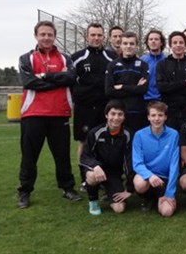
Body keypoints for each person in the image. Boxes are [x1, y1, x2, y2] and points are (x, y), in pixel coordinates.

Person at [17, 21, 81, 208]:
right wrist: (57, 80)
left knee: (62, 155)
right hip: (33, 114)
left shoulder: (64, 58)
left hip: (59, 113)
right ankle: (25, 191)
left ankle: (68, 188)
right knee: (29, 155)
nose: (46, 38)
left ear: (54, 36)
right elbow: (29, 82)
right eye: (42, 34)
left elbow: (70, 77)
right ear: (36, 36)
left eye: (50, 34)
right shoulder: (26, 58)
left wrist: (44, 76)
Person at [71, 23, 117, 191]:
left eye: (99, 35)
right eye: (93, 35)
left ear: (103, 37)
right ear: (87, 36)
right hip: (84, 108)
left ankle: (104, 178)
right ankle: (85, 178)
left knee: (105, 142)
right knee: (84, 142)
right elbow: (70, 83)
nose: (96, 38)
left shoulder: (112, 57)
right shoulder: (76, 58)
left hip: (106, 109)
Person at [80, 99, 132, 215]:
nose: (116, 118)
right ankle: (93, 201)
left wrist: (129, 188)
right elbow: (84, 156)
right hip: (96, 170)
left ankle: (109, 192)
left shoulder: (127, 135)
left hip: (113, 173)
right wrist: (95, 166)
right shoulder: (95, 133)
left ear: (124, 117)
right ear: (106, 115)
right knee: (92, 176)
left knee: (119, 209)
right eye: (113, 114)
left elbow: (128, 162)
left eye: (120, 114)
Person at [133, 101, 180, 217]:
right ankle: (148, 199)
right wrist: (150, 175)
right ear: (148, 117)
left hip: (164, 180)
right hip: (149, 179)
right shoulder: (139, 135)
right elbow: (137, 163)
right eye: (153, 115)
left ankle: (161, 197)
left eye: (160, 115)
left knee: (167, 212)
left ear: (165, 117)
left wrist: (170, 193)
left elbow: (174, 165)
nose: (157, 119)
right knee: (139, 183)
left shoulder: (174, 134)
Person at [156, 31, 186, 132]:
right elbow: (161, 87)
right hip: (169, 113)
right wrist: (184, 83)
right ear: (170, 45)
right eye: (175, 43)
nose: (178, 45)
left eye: (181, 42)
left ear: (185, 44)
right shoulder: (162, 65)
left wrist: (171, 87)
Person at [105, 31, 149, 134]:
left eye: (132, 43)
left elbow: (143, 89)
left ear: (136, 46)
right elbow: (109, 91)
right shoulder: (112, 65)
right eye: (125, 43)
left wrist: (122, 87)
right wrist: (135, 88)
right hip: (118, 114)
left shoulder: (143, 65)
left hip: (137, 113)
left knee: (135, 144)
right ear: (120, 45)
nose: (128, 46)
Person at [140, 29, 166, 102]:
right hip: (144, 100)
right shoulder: (141, 60)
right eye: (151, 39)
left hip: (162, 100)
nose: (153, 41)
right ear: (147, 42)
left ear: (161, 43)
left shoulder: (167, 60)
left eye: (156, 39)